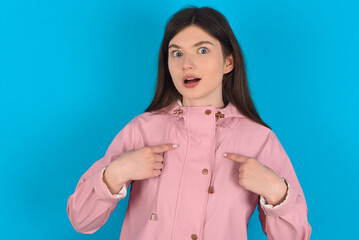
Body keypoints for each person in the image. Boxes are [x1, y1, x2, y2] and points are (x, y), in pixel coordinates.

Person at [67, 6, 312, 240]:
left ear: (229, 62)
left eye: (202, 50)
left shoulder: (259, 141)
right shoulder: (141, 130)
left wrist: (276, 191)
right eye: (177, 53)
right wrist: (117, 173)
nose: (187, 64)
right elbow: (82, 220)